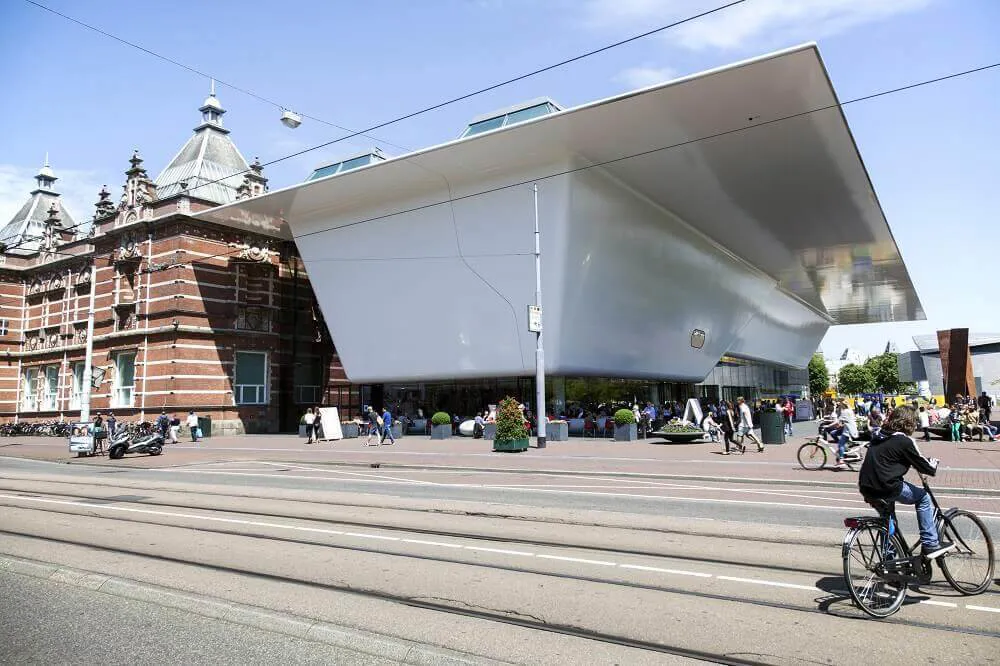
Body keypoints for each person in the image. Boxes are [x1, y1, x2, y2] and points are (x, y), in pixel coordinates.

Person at [858, 406, 954, 559]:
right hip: (887, 487)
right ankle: (930, 544)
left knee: (888, 522)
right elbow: (927, 467)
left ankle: (889, 564)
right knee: (923, 498)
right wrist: (933, 463)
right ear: (910, 423)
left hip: (867, 487)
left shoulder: (878, 435)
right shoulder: (904, 441)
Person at [835, 400, 860, 467]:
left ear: (843, 405)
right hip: (852, 429)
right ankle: (843, 454)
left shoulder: (844, 412)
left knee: (840, 444)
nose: (839, 406)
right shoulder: (850, 410)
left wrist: (828, 426)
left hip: (848, 431)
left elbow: (838, 422)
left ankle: (841, 460)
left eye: (840, 405)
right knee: (842, 444)